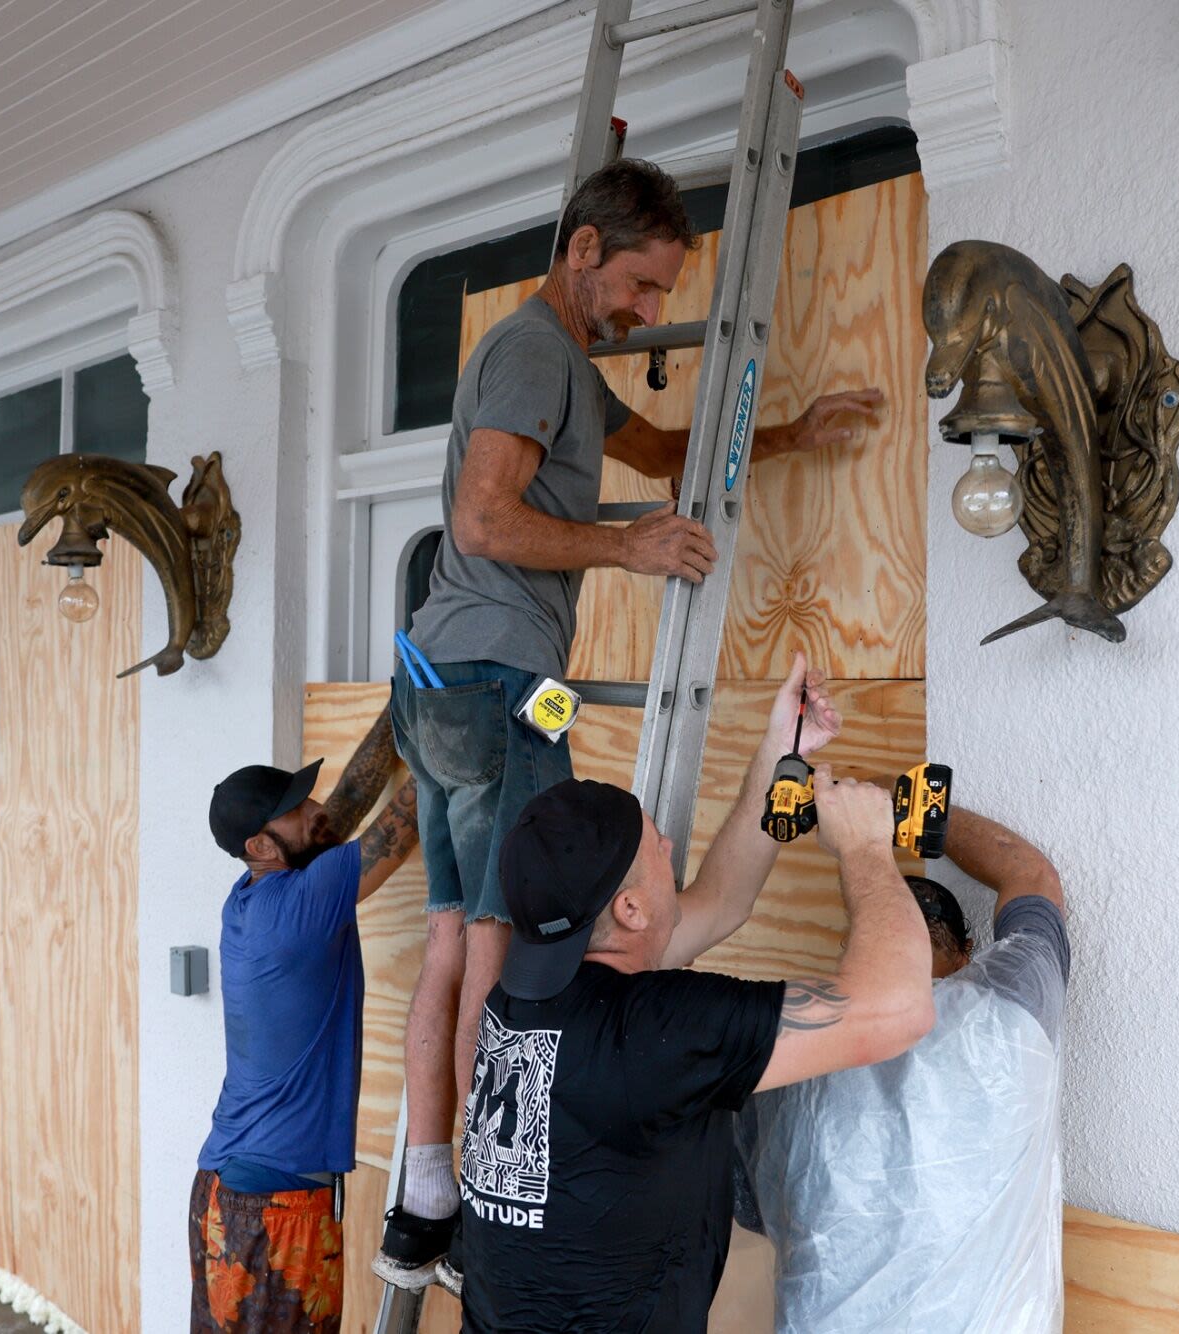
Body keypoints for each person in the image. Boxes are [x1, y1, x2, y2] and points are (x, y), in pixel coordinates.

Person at [379, 154, 885, 1284]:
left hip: (446, 682)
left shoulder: (557, 358)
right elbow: (481, 520)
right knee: (504, 944)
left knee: (458, 931)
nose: (650, 313)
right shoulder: (526, 351)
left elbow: (658, 454)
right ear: (584, 250)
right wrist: (627, 545)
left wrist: (792, 433)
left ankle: (421, 1195)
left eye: (665, 295)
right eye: (643, 286)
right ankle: (473, 1198)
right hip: (500, 679)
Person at [451, 653, 937, 1332]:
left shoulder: (528, 993)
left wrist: (782, 753)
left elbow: (719, 901)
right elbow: (899, 1007)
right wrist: (864, 848)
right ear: (627, 912)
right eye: (657, 844)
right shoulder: (653, 1033)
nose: (670, 841)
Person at [734, 802, 1070, 1333]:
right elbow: (1029, 872)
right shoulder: (1013, 1014)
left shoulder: (797, 1060)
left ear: (858, 952)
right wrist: (900, 804)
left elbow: (751, 1203)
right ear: (966, 952)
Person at [189, 715, 419, 1334]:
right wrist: (471, 709)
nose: (315, 807)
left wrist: (401, 710)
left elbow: (339, 810)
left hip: (230, 1191)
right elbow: (412, 814)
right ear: (261, 846)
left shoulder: (254, 893)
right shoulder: (301, 910)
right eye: (295, 807)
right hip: (276, 1212)